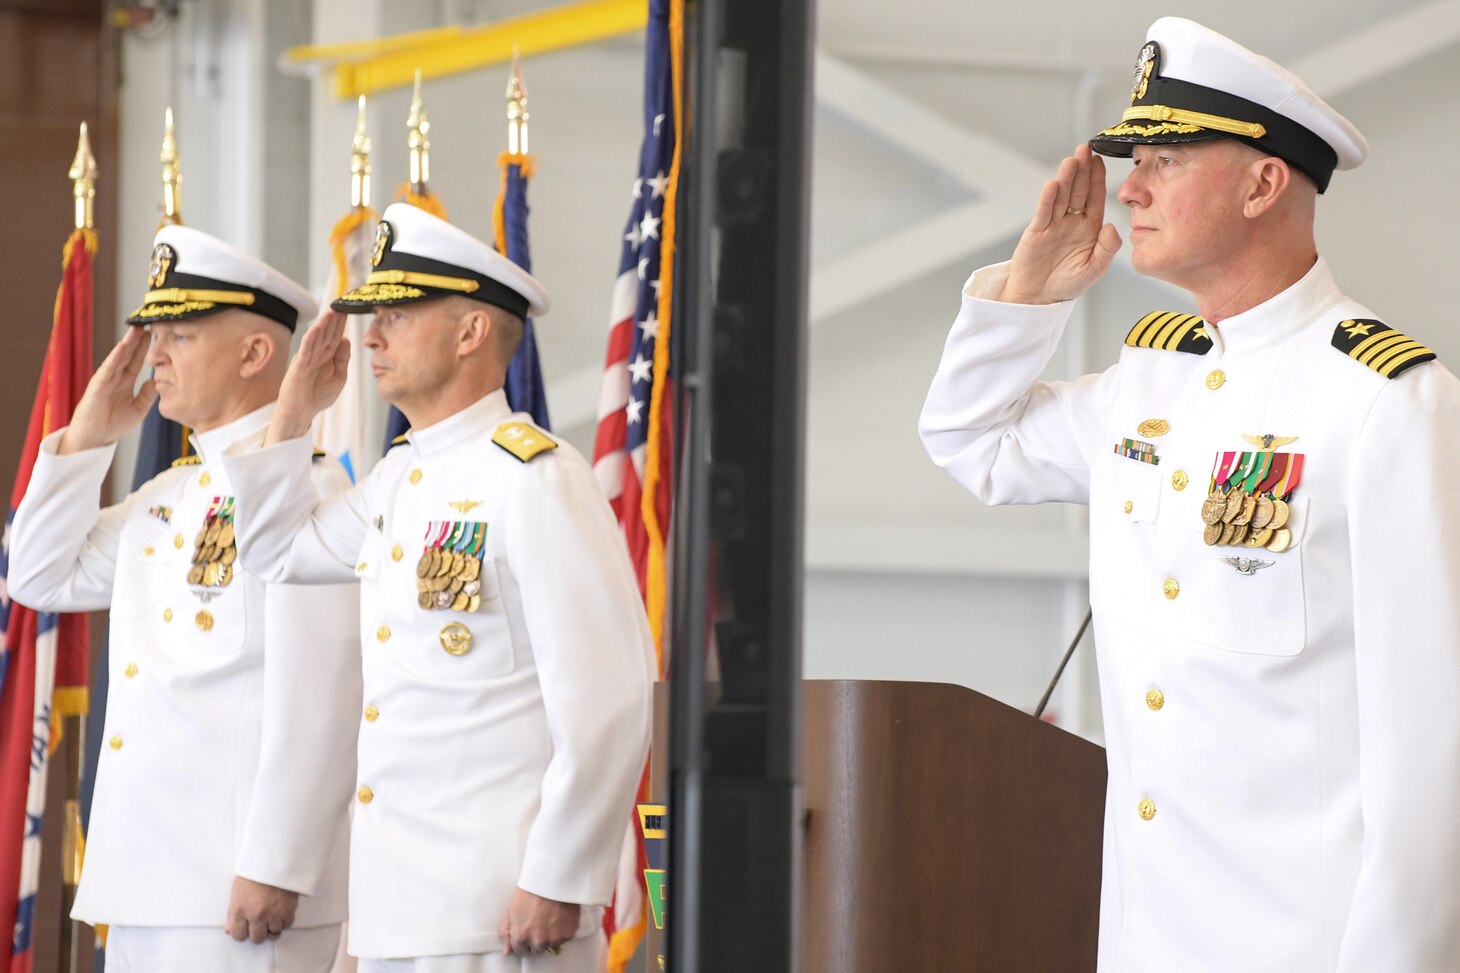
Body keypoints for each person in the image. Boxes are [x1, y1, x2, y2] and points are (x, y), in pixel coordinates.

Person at [919, 16, 1460, 972]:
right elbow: (972, 441)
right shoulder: (1152, 382)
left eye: (1165, 160)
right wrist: (1028, 296)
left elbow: (1434, 756)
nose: (1128, 188)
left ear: (1261, 183)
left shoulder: (1387, 401)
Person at [219, 202, 655, 972]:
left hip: (504, 917)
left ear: (471, 333)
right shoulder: (399, 479)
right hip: (399, 915)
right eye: (370, 316)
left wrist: (558, 875)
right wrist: (293, 412)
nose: (371, 335)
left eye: (396, 314)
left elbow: (608, 699)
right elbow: (274, 550)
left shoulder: (537, 479)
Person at [8, 224, 361, 971]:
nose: (155, 354)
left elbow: (322, 695)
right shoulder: (165, 499)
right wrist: (86, 438)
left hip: (241, 895)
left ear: (255, 353)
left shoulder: (311, 492)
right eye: (154, 334)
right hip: (145, 886)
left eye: (181, 335)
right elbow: (36, 574)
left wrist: (278, 864)